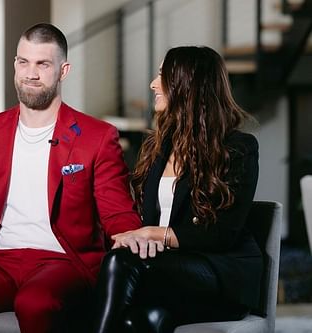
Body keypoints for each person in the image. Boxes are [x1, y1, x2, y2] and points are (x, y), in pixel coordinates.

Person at [0, 23, 142, 333]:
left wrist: (129, 233)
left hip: (64, 262)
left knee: (35, 304)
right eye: (23, 62)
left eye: (43, 64)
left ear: (63, 70)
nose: (30, 73)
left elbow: (116, 211)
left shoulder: (96, 137)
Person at [92, 46, 262, 333]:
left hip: (217, 273)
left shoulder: (238, 149)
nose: (152, 84)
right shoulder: (157, 146)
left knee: (120, 261)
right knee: (143, 320)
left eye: (162, 75)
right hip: (166, 270)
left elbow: (222, 235)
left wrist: (151, 234)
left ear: (188, 85)